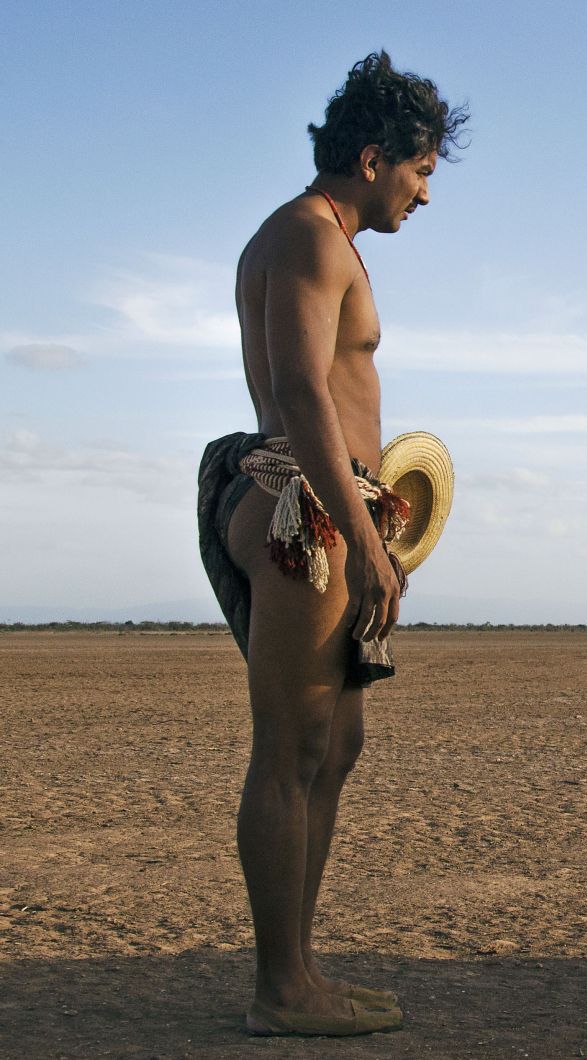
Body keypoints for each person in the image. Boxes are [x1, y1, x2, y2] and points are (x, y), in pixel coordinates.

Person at [196, 51, 467, 1036]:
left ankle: (301, 971)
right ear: (373, 156)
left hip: (324, 502)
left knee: (334, 745)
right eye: (421, 171)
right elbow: (304, 391)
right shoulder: (310, 238)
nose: (425, 194)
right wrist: (361, 535)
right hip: (304, 512)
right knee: (291, 749)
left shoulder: (314, 237)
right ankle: (280, 990)